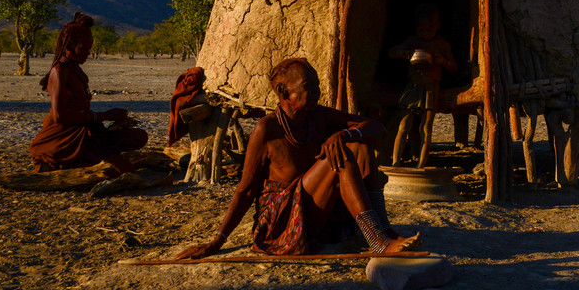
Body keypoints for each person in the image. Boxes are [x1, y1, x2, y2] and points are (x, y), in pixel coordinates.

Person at [176, 58, 420, 258]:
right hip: (284, 221)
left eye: (317, 86)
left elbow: (377, 128)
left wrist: (345, 133)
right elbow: (245, 190)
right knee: (340, 156)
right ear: (283, 91)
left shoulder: (318, 116)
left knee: (359, 146)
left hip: (314, 209)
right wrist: (217, 241)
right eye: (308, 86)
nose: (316, 92)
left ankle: (383, 230)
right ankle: (377, 241)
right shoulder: (267, 129)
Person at [30, 12, 148, 174]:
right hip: (64, 137)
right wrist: (104, 116)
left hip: (85, 130)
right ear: (68, 46)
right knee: (122, 169)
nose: (87, 53)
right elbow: (59, 117)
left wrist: (109, 120)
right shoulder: (59, 71)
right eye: (82, 49)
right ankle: (64, 163)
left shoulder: (74, 68)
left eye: (89, 49)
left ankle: (91, 158)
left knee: (139, 136)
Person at [387, 3, 457, 167]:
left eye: (429, 28)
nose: (425, 32)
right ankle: (396, 162)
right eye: (421, 29)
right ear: (416, 26)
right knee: (403, 126)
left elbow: (454, 67)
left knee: (425, 128)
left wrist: (442, 62)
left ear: (438, 25)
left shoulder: (442, 44)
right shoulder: (412, 41)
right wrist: (405, 53)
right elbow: (391, 53)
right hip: (413, 87)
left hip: (431, 89)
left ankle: (421, 164)